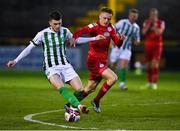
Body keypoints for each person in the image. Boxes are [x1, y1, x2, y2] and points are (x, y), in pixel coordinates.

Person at [6, 10, 89, 114]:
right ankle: (79, 106)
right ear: (50, 22)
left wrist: (94, 38)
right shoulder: (42, 34)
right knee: (61, 87)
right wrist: (16, 60)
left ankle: (69, 106)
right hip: (51, 68)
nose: (58, 26)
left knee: (80, 90)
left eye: (60, 23)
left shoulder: (65, 31)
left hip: (66, 66)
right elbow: (29, 48)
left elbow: (76, 40)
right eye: (55, 24)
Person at [72, 7, 125, 113]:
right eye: (105, 18)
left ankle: (70, 103)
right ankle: (96, 101)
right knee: (113, 78)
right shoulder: (94, 26)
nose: (106, 21)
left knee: (90, 88)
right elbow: (80, 31)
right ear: (100, 16)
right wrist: (74, 38)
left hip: (102, 61)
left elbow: (117, 44)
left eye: (109, 19)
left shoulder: (111, 28)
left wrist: (121, 40)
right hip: (94, 61)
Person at [109, 8, 140, 90]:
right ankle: (110, 79)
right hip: (116, 47)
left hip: (127, 48)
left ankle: (122, 84)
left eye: (135, 16)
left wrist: (137, 41)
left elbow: (137, 38)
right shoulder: (122, 22)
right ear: (129, 16)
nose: (133, 17)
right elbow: (113, 29)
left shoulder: (136, 27)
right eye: (132, 16)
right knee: (113, 65)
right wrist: (113, 39)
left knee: (123, 65)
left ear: (137, 17)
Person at [142, 8, 165, 90]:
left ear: (157, 15)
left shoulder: (161, 22)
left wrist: (155, 26)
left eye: (154, 15)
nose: (153, 16)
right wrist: (149, 25)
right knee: (148, 65)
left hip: (157, 46)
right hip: (148, 45)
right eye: (151, 15)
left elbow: (159, 32)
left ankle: (154, 83)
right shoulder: (146, 22)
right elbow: (143, 32)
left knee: (154, 64)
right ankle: (149, 82)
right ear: (149, 15)